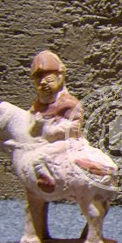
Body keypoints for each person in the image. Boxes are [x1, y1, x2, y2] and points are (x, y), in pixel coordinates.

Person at [28, 50, 83, 192]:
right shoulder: (38, 106)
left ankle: (48, 181)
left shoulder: (69, 103)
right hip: (41, 141)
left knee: (39, 157)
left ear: (60, 77)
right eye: (39, 81)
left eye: (48, 80)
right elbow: (30, 127)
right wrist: (35, 124)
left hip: (67, 143)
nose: (43, 83)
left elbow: (74, 128)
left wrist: (50, 130)